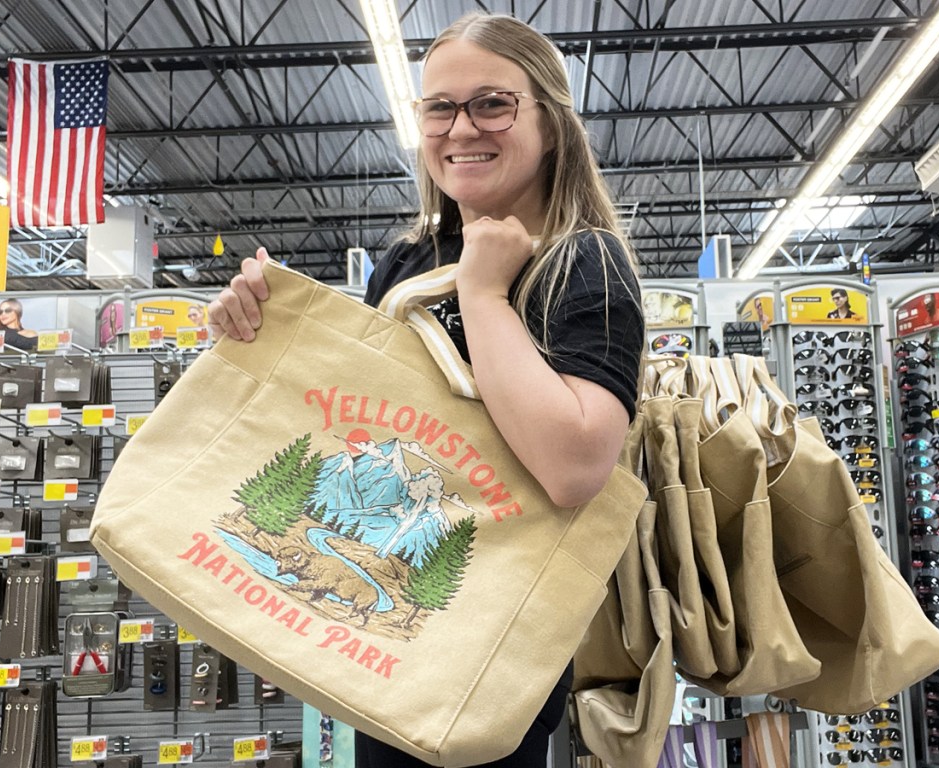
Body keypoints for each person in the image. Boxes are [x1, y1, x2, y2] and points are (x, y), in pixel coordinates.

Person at [207, 12, 644, 767]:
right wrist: (254, 330)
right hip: (371, 623)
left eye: (493, 103)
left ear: (551, 120)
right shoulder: (411, 258)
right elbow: (357, 419)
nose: (461, 127)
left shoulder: (586, 262)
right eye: (439, 107)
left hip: (483, 639)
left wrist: (482, 292)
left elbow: (576, 467)